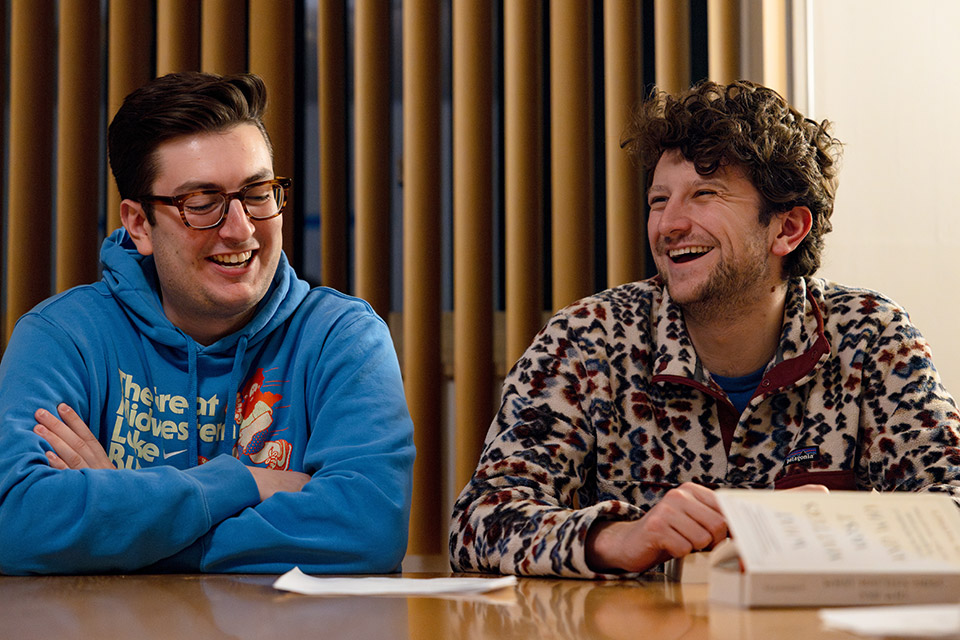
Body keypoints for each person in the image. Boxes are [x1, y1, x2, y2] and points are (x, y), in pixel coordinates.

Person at [449, 79, 960, 578]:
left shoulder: (869, 335)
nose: (668, 224)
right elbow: (478, 524)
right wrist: (621, 538)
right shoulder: (588, 338)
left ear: (787, 228)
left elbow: (950, 506)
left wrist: (831, 530)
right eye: (658, 200)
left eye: (704, 194)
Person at [0, 72, 415, 575]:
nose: (241, 229)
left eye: (258, 192)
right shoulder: (63, 338)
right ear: (138, 224)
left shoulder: (343, 338)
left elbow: (368, 529)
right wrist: (245, 482)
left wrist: (121, 530)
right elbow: (16, 522)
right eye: (202, 204)